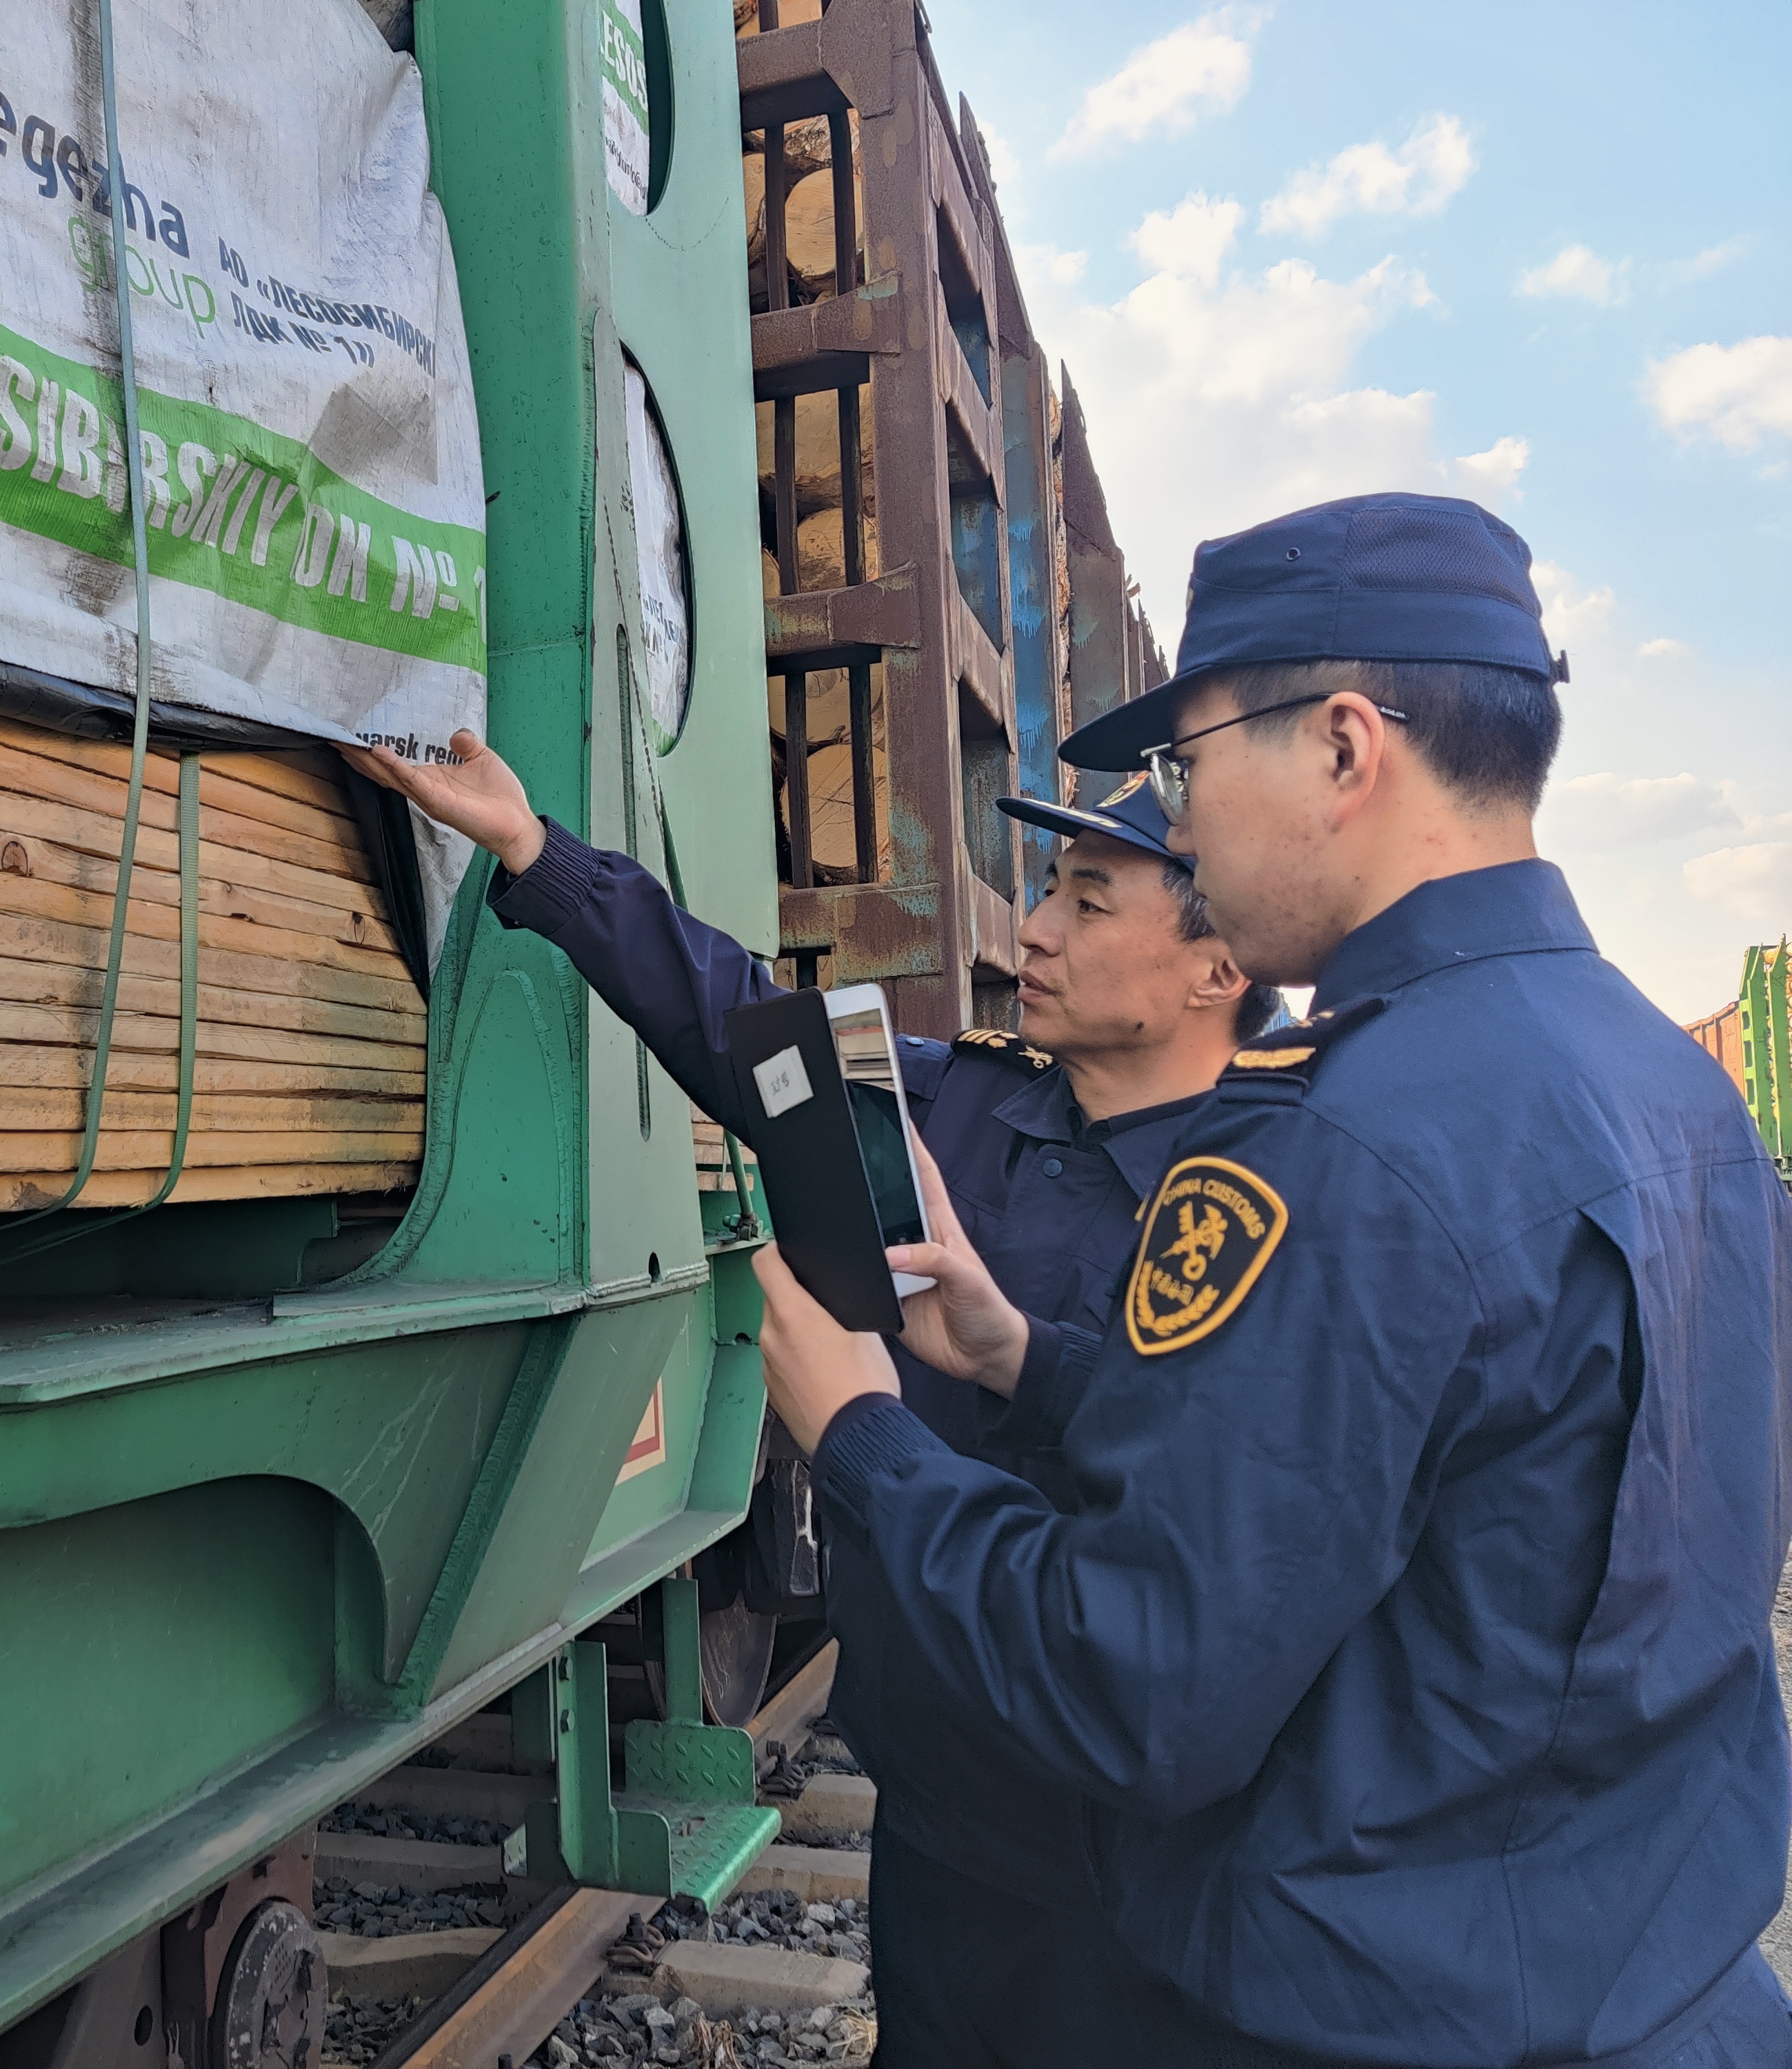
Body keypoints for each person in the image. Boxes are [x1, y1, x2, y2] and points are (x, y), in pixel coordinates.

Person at [754, 492, 1792, 2066]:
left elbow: (1135, 1687)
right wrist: (1029, 1359)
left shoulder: (1335, 1138)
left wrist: (862, 1433)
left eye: (1187, 764)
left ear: (1342, 749)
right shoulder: (1667, 1088)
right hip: (1661, 1989)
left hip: (1395, 2009)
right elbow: (1461, 1470)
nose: (1174, 822)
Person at [343, 735, 1277, 2063]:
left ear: (1218, 967)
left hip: (1140, 1858)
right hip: (945, 1805)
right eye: (1050, 889)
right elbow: (736, 1021)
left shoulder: (1285, 1193)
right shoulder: (959, 1105)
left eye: (1087, 901)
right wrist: (537, 857)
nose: (1041, 932)